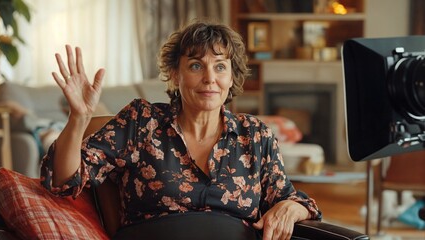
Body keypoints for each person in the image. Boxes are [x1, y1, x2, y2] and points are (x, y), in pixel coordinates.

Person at [41, 20, 321, 240]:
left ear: (232, 76)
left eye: (220, 67)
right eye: (196, 65)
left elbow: (290, 198)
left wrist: (294, 208)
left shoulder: (256, 135)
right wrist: (78, 118)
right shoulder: (141, 121)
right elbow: (63, 181)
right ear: (175, 74)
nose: (210, 78)